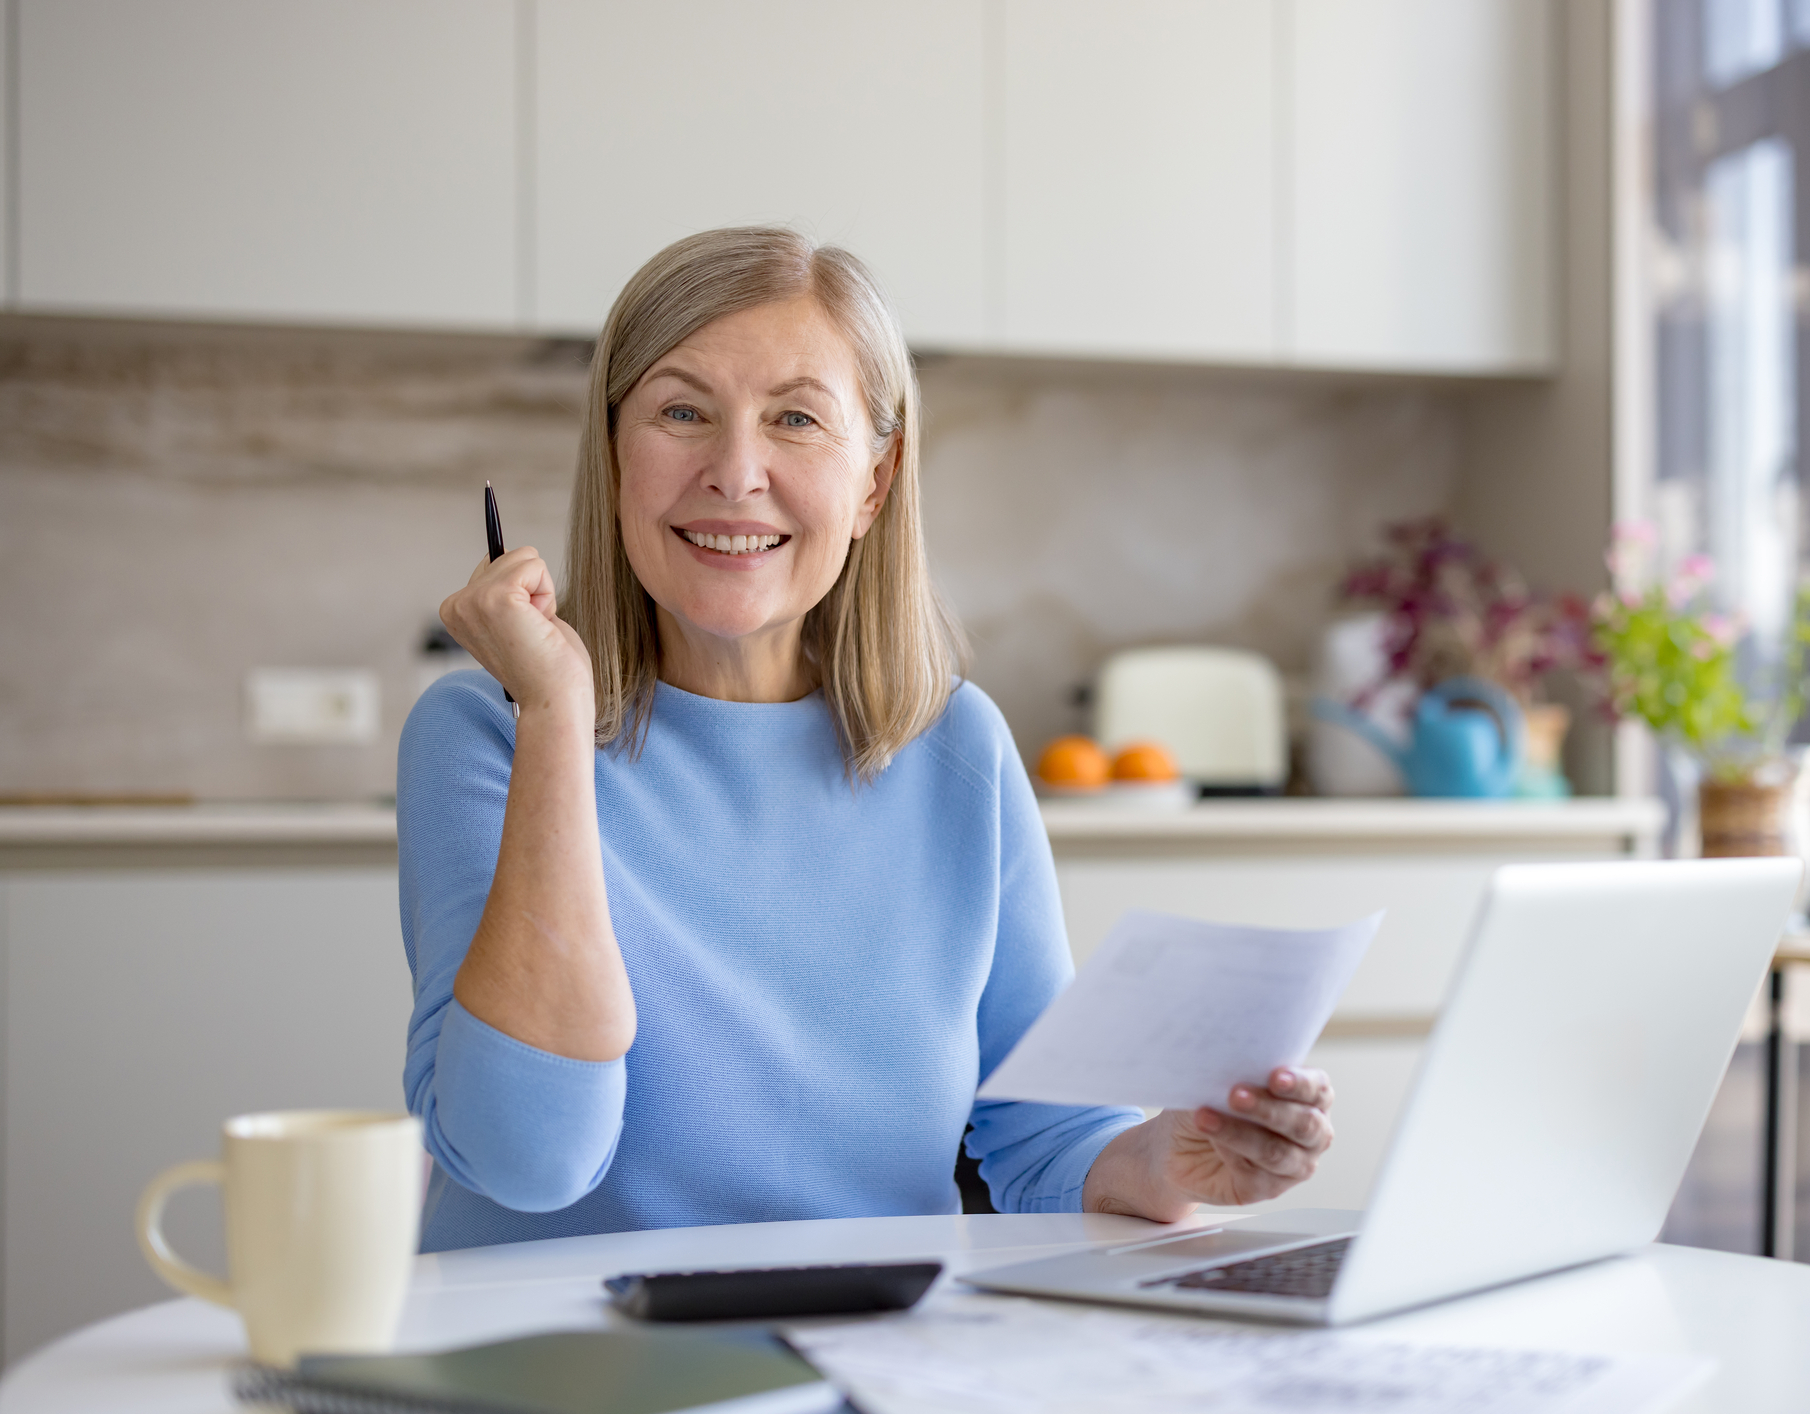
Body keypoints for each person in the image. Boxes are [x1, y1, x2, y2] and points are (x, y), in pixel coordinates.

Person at [397, 227, 1336, 1251]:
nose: (735, 471)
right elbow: (530, 1160)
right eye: (681, 411)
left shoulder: (959, 752)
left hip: (868, 1351)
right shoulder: (488, 730)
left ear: (873, 484)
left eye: (795, 418)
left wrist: (1169, 1157)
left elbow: (1042, 1142)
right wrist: (557, 717)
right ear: (615, 454)